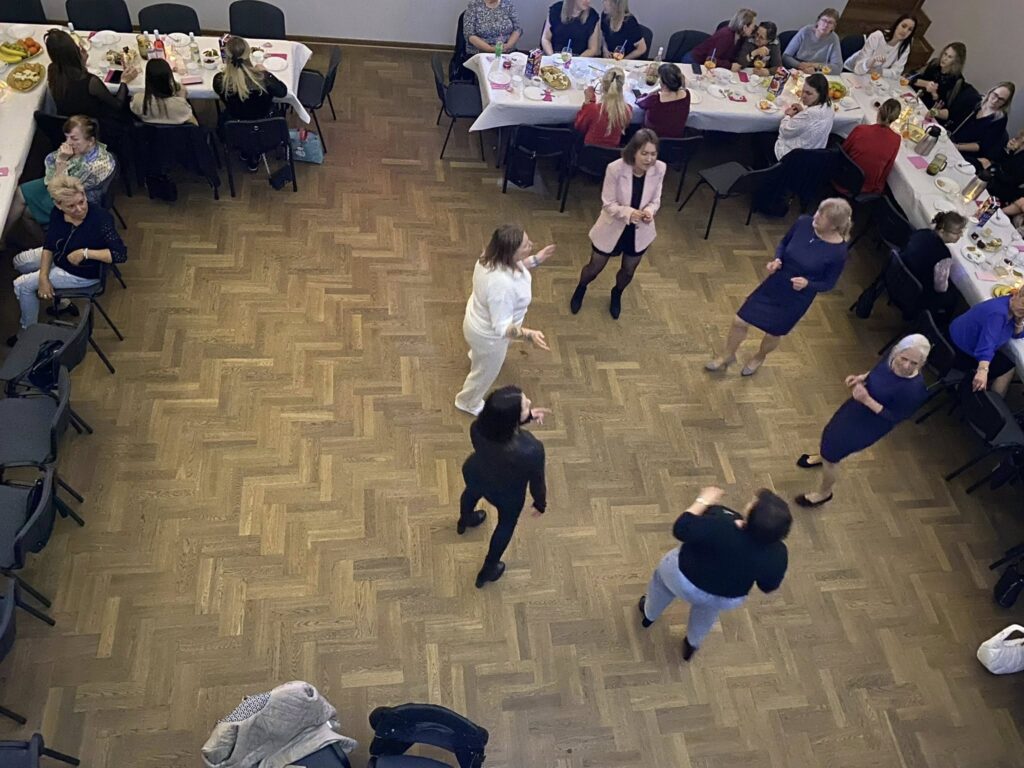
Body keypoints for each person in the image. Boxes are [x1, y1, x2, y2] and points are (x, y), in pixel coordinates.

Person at [637, 486, 790, 661]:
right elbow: (767, 586)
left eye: (753, 503)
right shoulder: (778, 554)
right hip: (725, 596)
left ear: (751, 517)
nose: (751, 501)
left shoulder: (720, 522)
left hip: (682, 577)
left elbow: (681, 528)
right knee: (706, 614)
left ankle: (649, 614)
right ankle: (692, 643)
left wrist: (703, 500)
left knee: (661, 587)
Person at [705, 198, 851, 376]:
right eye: (818, 211)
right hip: (776, 283)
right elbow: (783, 244)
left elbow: (829, 283)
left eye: (822, 216)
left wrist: (808, 284)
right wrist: (777, 259)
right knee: (739, 320)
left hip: (796, 297)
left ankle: (759, 357)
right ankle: (728, 354)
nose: (816, 216)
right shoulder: (803, 223)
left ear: (834, 226)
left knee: (773, 333)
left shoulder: (838, 252)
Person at [794, 335, 931, 507]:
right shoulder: (890, 358)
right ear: (897, 352)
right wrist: (862, 378)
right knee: (829, 438)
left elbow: (894, 418)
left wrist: (866, 400)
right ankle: (823, 455)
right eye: (904, 359)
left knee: (832, 456)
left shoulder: (915, 390)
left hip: (868, 425)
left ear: (922, 364)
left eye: (914, 363)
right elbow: (878, 371)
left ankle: (824, 493)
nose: (906, 366)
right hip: (854, 409)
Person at [9, 176, 127, 346]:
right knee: (19, 262)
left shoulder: (101, 219)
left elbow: (120, 254)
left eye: (81, 201)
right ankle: (61, 301)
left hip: (82, 272)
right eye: (71, 206)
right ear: (59, 205)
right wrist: (43, 277)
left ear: (84, 195)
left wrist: (86, 253)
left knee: (22, 285)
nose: (79, 209)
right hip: (61, 257)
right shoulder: (57, 214)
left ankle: (28, 335)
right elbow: (50, 244)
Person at [455, 225, 556, 416]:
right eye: (525, 245)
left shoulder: (489, 257)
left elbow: (513, 267)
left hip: (477, 321)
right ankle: (468, 402)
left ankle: (478, 357)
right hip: (490, 338)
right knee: (484, 374)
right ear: (511, 253)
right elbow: (502, 328)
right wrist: (529, 335)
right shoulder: (501, 288)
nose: (531, 244)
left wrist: (536, 259)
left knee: (482, 358)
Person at [458, 385, 550, 588]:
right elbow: (537, 481)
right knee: (505, 525)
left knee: (470, 493)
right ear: (511, 419)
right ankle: (489, 568)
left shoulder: (478, 428)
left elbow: (499, 429)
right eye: (525, 406)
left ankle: (465, 519)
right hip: (507, 494)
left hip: (476, 473)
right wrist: (540, 503)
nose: (530, 403)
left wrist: (525, 417)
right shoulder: (532, 449)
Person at [569, 129, 665, 319]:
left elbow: (656, 200)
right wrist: (629, 213)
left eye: (653, 154)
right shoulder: (615, 168)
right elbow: (608, 203)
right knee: (594, 268)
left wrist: (649, 211)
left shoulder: (660, 168)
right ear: (634, 151)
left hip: (639, 230)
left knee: (628, 271)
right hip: (613, 226)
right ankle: (581, 288)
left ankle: (617, 293)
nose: (649, 159)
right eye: (644, 153)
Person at [4, 115, 115, 242]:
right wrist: (61, 162)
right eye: (67, 137)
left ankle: (47, 247)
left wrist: (62, 160)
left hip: (74, 198)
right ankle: (2, 237)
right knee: (20, 192)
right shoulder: (85, 148)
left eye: (74, 138)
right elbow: (53, 164)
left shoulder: (93, 166)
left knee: (28, 213)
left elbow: (61, 188)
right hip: (61, 178)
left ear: (91, 140)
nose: (68, 143)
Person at [213, 36, 288, 170]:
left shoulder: (220, 81)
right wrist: (266, 72)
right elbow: (282, 92)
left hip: (234, 127)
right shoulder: (263, 79)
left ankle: (246, 150)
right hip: (266, 125)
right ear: (248, 55)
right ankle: (253, 153)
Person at [44, 28, 134, 123]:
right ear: (75, 51)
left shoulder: (52, 70)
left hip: (72, 121)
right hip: (95, 124)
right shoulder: (90, 82)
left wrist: (81, 61)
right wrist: (124, 81)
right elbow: (117, 105)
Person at [949, 291, 1024, 397]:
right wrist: (983, 370)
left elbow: (1014, 333)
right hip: (960, 350)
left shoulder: (1009, 304)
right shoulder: (998, 314)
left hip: (958, 338)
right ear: (1016, 294)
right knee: (1008, 367)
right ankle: (990, 403)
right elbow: (986, 345)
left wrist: (1018, 323)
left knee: (1004, 359)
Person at [901, 211, 967, 317]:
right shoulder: (944, 255)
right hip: (917, 289)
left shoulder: (923, 232)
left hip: (901, 273)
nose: (960, 235)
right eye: (956, 233)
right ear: (942, 231)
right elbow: (940, 288)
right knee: (954, 297)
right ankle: (935, 321)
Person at [839, 99, 902, 195]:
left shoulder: (861, 129)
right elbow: (887, 169)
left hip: (842, 179)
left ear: (879, 111)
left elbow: (843, 151)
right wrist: (878, 189)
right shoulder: (896, 139)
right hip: (866, 188)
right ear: (896, 119)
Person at [950, 82, 1016, 164]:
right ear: (991, 92)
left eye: (1001, 99)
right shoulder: (977, 102)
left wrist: (957, 147)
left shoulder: (1000, 120)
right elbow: (955, 118)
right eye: (995, 95)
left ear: (1005, 103)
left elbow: (982, 146)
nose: (995, 100)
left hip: (966, 153)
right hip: (953, 139)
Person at [774, 72, 834, 160]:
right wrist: (802, 111)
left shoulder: (809, 114)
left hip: (792, 158)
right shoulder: (830, 106)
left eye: (808, 93)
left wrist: (788, 115)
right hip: (815, 155)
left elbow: (784, 131)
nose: (803, 96)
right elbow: (811, 123)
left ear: (820, 95)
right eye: (803, 91)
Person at [574, 67, 632, 148]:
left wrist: (587, 102)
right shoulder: (628, 110)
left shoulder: (593, 109)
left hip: (588, 152)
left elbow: (579, 126)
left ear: (602, 86)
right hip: (612, 153)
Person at [130, 57, 198, 125]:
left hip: (149, 131)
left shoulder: (137, 101)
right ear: (169, 78)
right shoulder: (180, 106)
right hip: (176, 131)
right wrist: (182, 98)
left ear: (147, 79)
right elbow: (194, 125)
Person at [843, 14, 916, 77]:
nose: (905, 31)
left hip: (872, 76)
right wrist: (872, 64)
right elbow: (858, 68)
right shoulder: (877, 36)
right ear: (897, 24)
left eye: (910, 29)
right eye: (903, 26)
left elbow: (897, 72)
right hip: (851, 72)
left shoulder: (905, 46)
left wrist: (878, 71)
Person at [909, 42, 967, 121]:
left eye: (949, 57)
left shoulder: (957, 81)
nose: (944, 58)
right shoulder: (934, 63)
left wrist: (934, 94)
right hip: (913, 98)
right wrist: (925, 84)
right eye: (945, 54)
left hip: (927, 111)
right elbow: (910, 77)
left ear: (956, 62)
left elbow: (948, 112)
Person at [685, 8, 757, 67]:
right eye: (753, 26)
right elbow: (711, 59)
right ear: (745, 27)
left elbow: (738, 59)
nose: (754, 28)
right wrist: (730, 65)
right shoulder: (725, 36)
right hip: (694, 61)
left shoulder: (740, 38)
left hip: (706, 65)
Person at [635, 64, 690, 138]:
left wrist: (651, 92)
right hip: (676, 139)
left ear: (662, 82)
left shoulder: (655, 99)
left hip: (651, 139)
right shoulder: (687, 94)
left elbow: (638, 101)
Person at [782, 8, 843, 73]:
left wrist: (814, 67)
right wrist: (800, 66)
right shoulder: (805, 31)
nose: (825, 25)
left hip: (817, 71)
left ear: (834, 27)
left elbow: (838, 68)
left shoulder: (834, 38)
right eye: (824, 20)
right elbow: (786, 57)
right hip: (797, 69)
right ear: (818, 21)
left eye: (830, 23)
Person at [979, 129, 1024, 204]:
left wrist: (993, 167)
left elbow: (1012, 180)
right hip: (991, 179)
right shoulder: (1018, 142)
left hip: (999, 193)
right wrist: (1007, 150)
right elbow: (1002, 161)